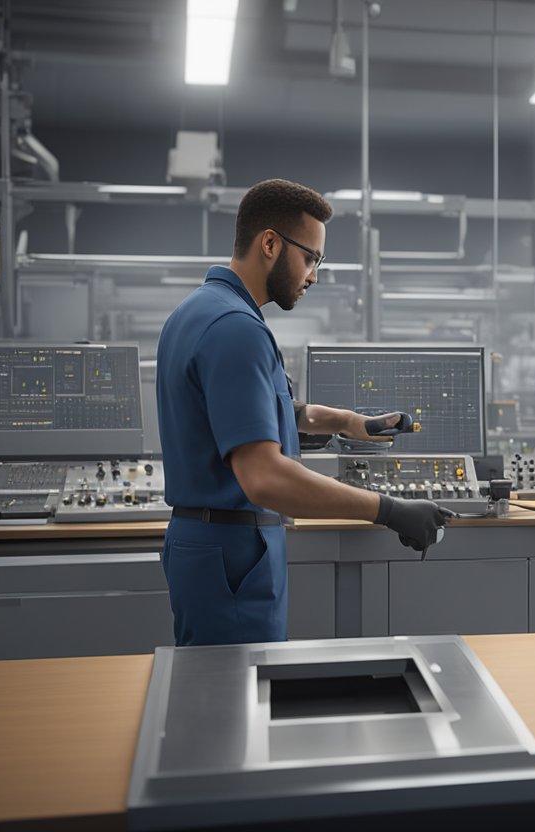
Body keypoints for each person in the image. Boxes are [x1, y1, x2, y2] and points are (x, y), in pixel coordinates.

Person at [155, 178, 447, 646]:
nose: (313, 275)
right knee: (231, 702)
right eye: (310, 258)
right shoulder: (237, 330)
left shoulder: (198, 312)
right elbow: (265, 477)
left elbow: (260, 412)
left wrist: (348, 422)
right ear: (269, 243)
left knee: (212, 698)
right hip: (233, 555)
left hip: (207, 547)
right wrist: (388, 510)